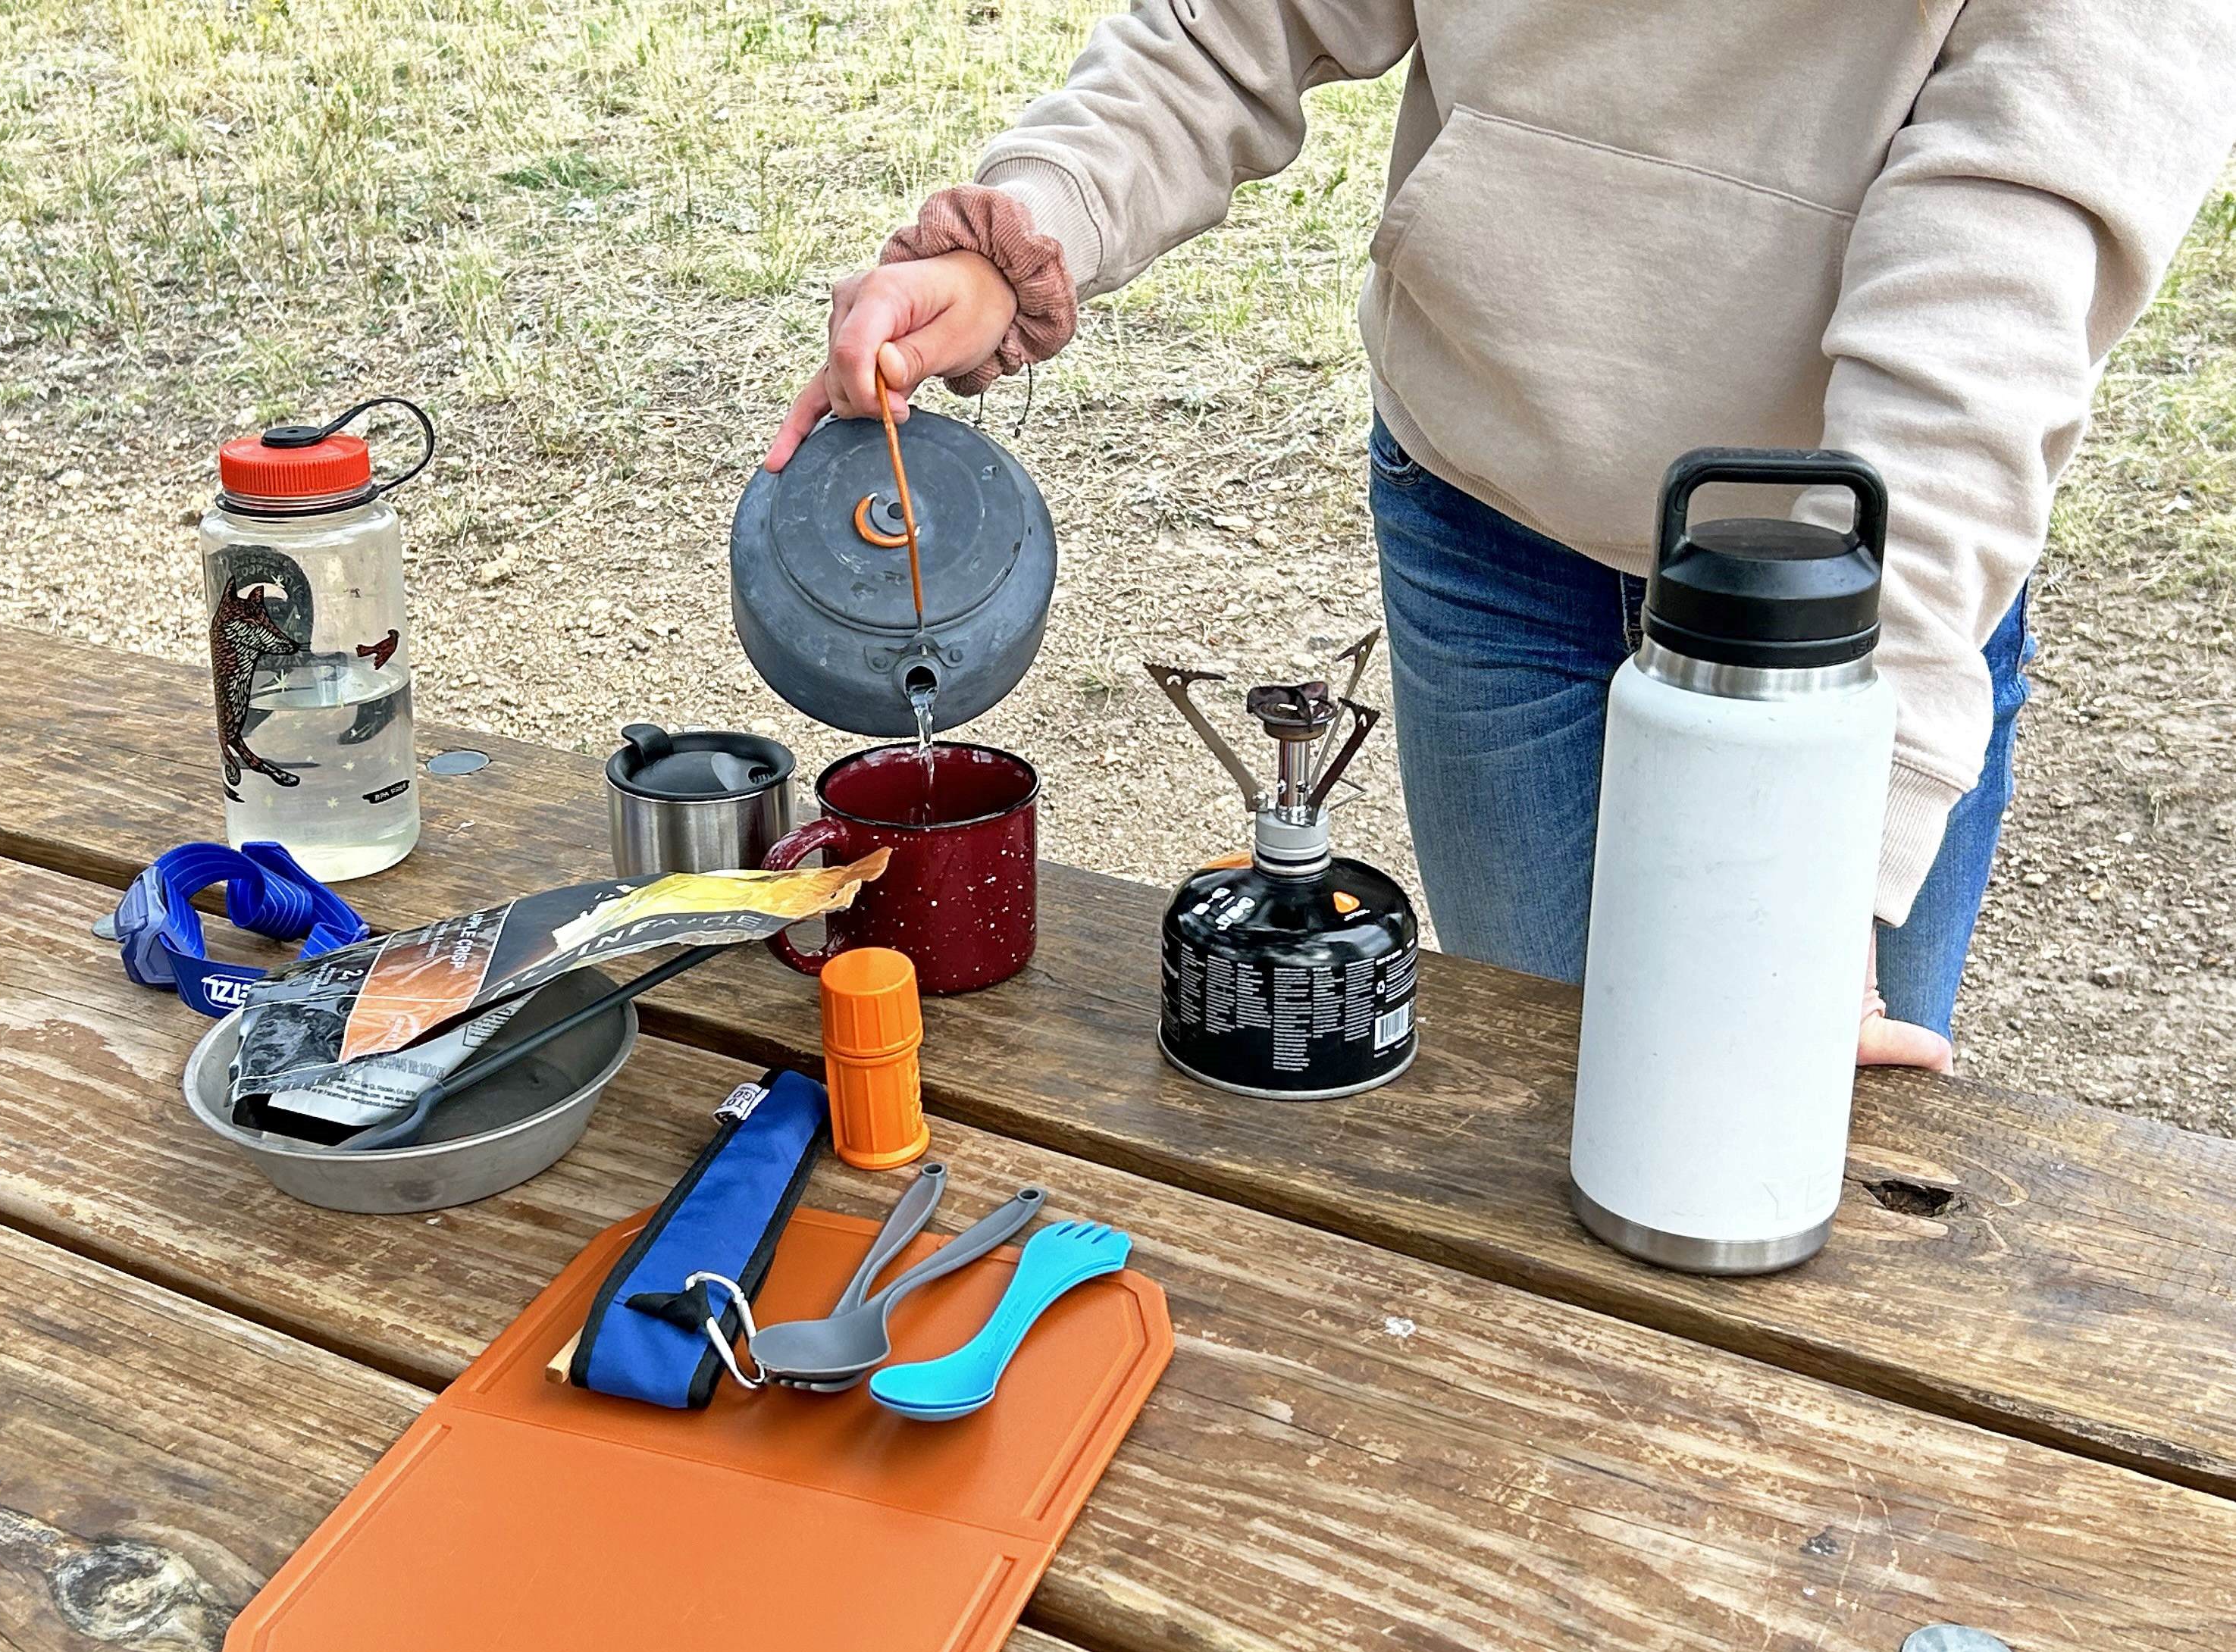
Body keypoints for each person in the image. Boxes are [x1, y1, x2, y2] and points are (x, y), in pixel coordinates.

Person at [767, 0, 2235, 1068]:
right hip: (1486, 530)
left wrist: (1829, 838)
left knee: (1795, 1172)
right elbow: (1240, 20)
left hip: (1841, 612)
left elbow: (2006, 251)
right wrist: (1027, 220)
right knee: (1536, 1122)